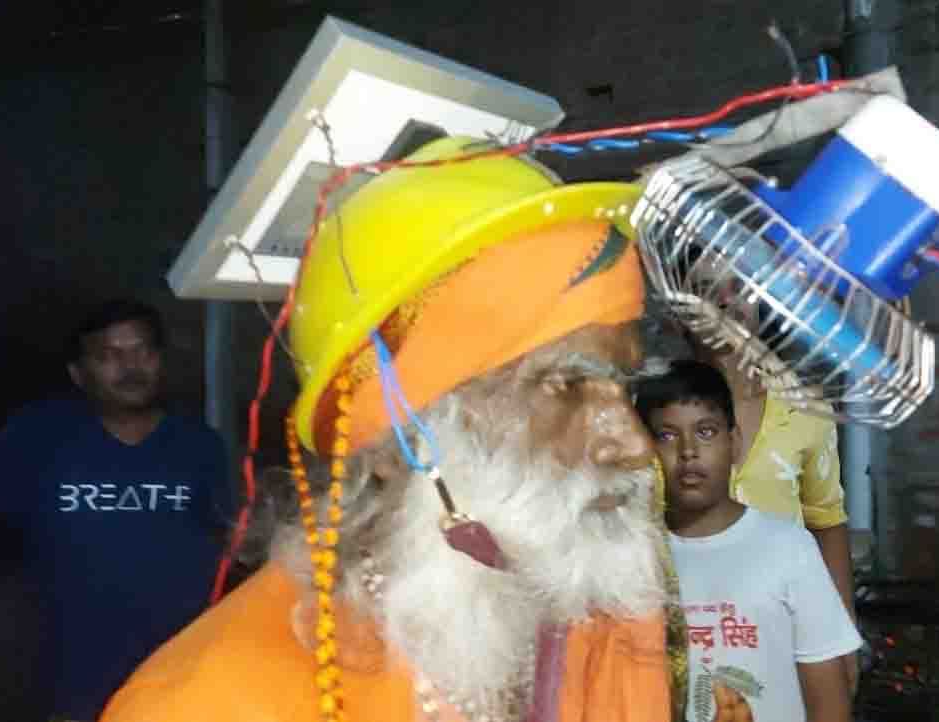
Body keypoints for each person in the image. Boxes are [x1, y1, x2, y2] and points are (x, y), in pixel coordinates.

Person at [101, 136, 681, 722]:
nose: (635, 445)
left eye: (627, 388)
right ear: (397, 438)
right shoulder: (204, 705)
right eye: (565, 386)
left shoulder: (592, 619)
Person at [0, 298, 230, 721]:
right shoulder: (39, 433)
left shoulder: (200, 443)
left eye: (142, 351)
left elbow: (233, 534)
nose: (131, 367)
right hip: (72, 676)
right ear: (79, 374)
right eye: (110, 356)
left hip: (180, 669)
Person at [636, 359, 861, 722]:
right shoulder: (636, 562)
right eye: (667, 435)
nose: (688, 451)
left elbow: (829, 703)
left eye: (706, 432)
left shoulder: (789, 549)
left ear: (734, 442)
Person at [688, 332, 858, 686]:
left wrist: (843, 642)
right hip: (690, 634)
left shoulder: (804, 406)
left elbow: (826, 522)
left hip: (785, 637)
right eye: (708, 289)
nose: (724, 306)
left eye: (739, 288)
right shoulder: (656, 411)